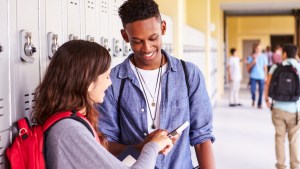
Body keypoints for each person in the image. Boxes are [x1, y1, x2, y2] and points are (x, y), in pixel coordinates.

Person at [96, 0, 215, 168]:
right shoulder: (113, 81)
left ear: (163, 28)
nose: (146, 48)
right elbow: (105, 142)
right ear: (124, 36)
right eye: (137, 41)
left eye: (153, 38)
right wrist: (143, 147)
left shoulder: (189, 74)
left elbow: (202, 138)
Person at [31, 40, 173, 169]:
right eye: (106, 76)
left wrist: (143, 146)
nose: (109, 82)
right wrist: (153, 146)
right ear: (88, 82)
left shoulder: (70, 124)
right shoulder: (69, 130)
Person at [265, 44, 300, 169]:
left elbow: (267, 84)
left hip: (278, 108)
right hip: (295, 110)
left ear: (284, 54)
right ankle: (295, 166)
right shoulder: (299, 67)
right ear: (295, 54)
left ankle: (281, 165)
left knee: (279, 138)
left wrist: (266, 99)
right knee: (294, 139)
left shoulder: (276, 67)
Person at [247, 43, 268, 109]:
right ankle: (253, 99)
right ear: (254, 49)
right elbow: (248, 67)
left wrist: (266, 76)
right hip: (253, 76)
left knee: (261, 91)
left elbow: (265, 67)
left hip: (261, 76)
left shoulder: (264, 56)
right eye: (257, 48)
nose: (258, 49)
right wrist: (253, 61)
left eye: (259, 48)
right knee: (252, 90)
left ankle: (259, 104)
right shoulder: (251, 56)